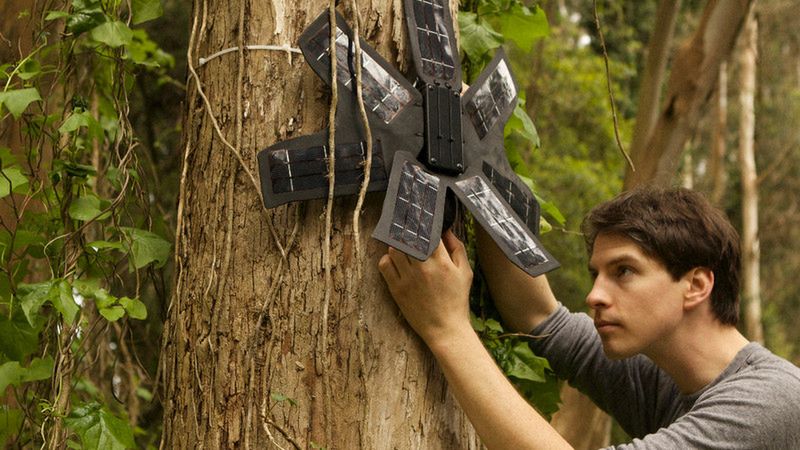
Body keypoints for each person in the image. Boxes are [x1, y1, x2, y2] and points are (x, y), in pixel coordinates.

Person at [378, 187, 800, 449]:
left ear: (695, 285)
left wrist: (447, 329)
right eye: (596, 275)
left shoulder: (769, 403)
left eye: (624, 272)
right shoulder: (668, 379)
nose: (595, 295)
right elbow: (544, 319)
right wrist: (478, 171)